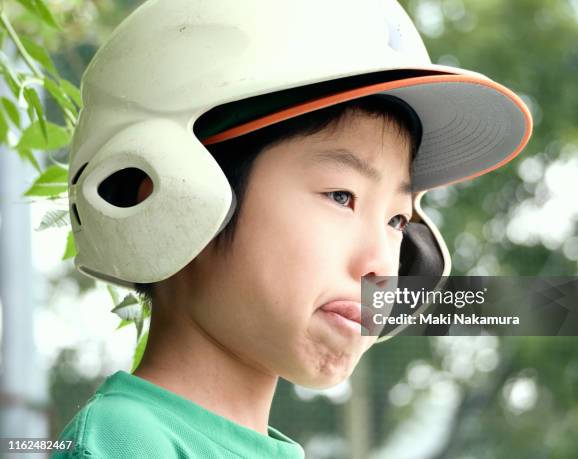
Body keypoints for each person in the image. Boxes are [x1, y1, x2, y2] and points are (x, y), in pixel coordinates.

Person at [54, 0, 532, 457]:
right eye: (342, 197)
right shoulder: (124, 442)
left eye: (396, 220)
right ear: (167, 192)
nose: (384, 264)